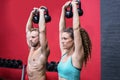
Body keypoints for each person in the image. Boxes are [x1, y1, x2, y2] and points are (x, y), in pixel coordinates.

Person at [57, 0, 92, 80]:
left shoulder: (77, 56)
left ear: (74, 40)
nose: (62, 41)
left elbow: (76, 29)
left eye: (65, 39)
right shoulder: (64, 53)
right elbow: (61, 29)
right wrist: (63, 9)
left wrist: (75, 8)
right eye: (62, 38)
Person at [26, 6, 50, 80]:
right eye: (31, 37)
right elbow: (27, 30)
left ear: (40, 39)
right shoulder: (32, 47)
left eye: (33, 37)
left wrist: (42, 13)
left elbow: (42, 31)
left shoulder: (43, 50)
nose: (30, 39)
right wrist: (31, 14)